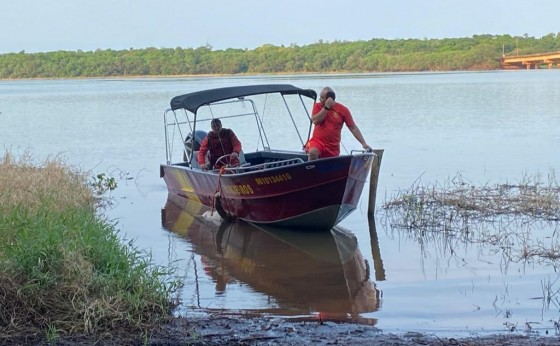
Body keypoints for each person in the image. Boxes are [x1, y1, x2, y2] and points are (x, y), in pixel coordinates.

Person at [305, 87, 372, 160]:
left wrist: (363, 143)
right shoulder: (318, 106)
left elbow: (353, 128)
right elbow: (316, 121)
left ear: (329, 99)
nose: (319, 99)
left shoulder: (343, 110)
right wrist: (326, 107)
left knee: (332, 160)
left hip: (332, 147)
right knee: (313, 152)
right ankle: (311, 171)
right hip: (317, 142)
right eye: (320, 97)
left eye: (322, 97)